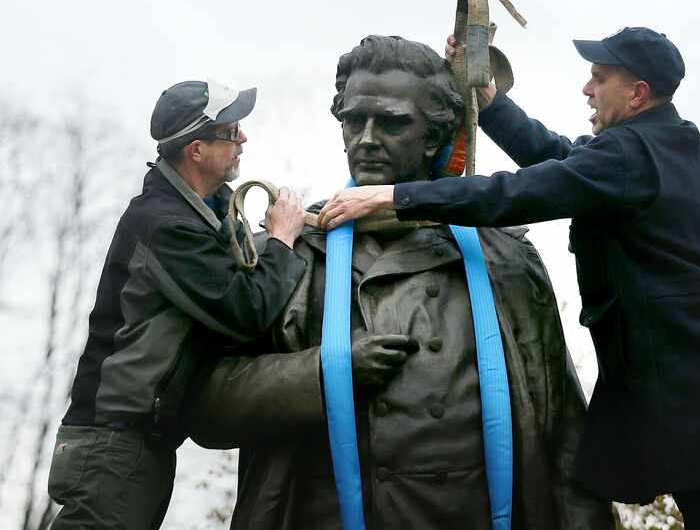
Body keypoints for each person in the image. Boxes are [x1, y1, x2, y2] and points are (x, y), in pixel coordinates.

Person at [318, 28, 700, 529]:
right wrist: (488, 100)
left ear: (637, 94)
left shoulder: (630, 154)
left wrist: (395, 198)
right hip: (691, 376)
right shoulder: (658, 141)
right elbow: (557, 157)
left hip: (693, 385)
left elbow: (525, 191)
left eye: (599, 78)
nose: (586, 89)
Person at [187, 36, 614, 530]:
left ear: (433, 137)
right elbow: (204, 404)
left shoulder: (506, 257)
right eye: (353, 121)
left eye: (392, 123)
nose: (366, 139)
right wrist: (327, 373)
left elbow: (561, 429)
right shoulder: (288, 252)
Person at [46, 79, 309, 530]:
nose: (243, 138)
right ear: (196, 150)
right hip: (114, 445)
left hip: (131, 446)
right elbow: (246, 310)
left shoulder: (199, 217)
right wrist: (282, 241)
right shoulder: (167, 227)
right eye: (230, 131)